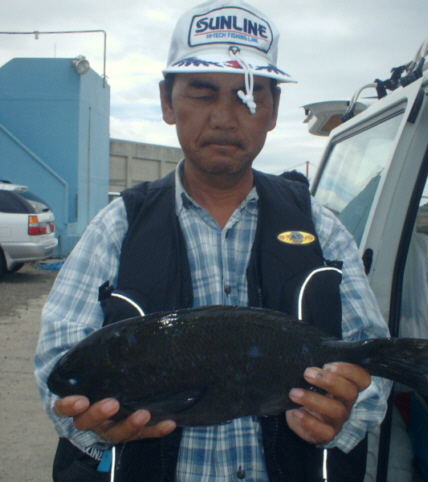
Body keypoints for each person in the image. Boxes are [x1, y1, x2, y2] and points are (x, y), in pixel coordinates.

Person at [35, 1, 391, 481]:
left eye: (248, 97)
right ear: (167, 102)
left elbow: (375, 365)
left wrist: (348, 410)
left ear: (272, 110)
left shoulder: (322, 228)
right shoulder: (115, 228)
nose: (224, 118)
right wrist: (91, 425)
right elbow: (56, 369)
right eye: (203, 94)